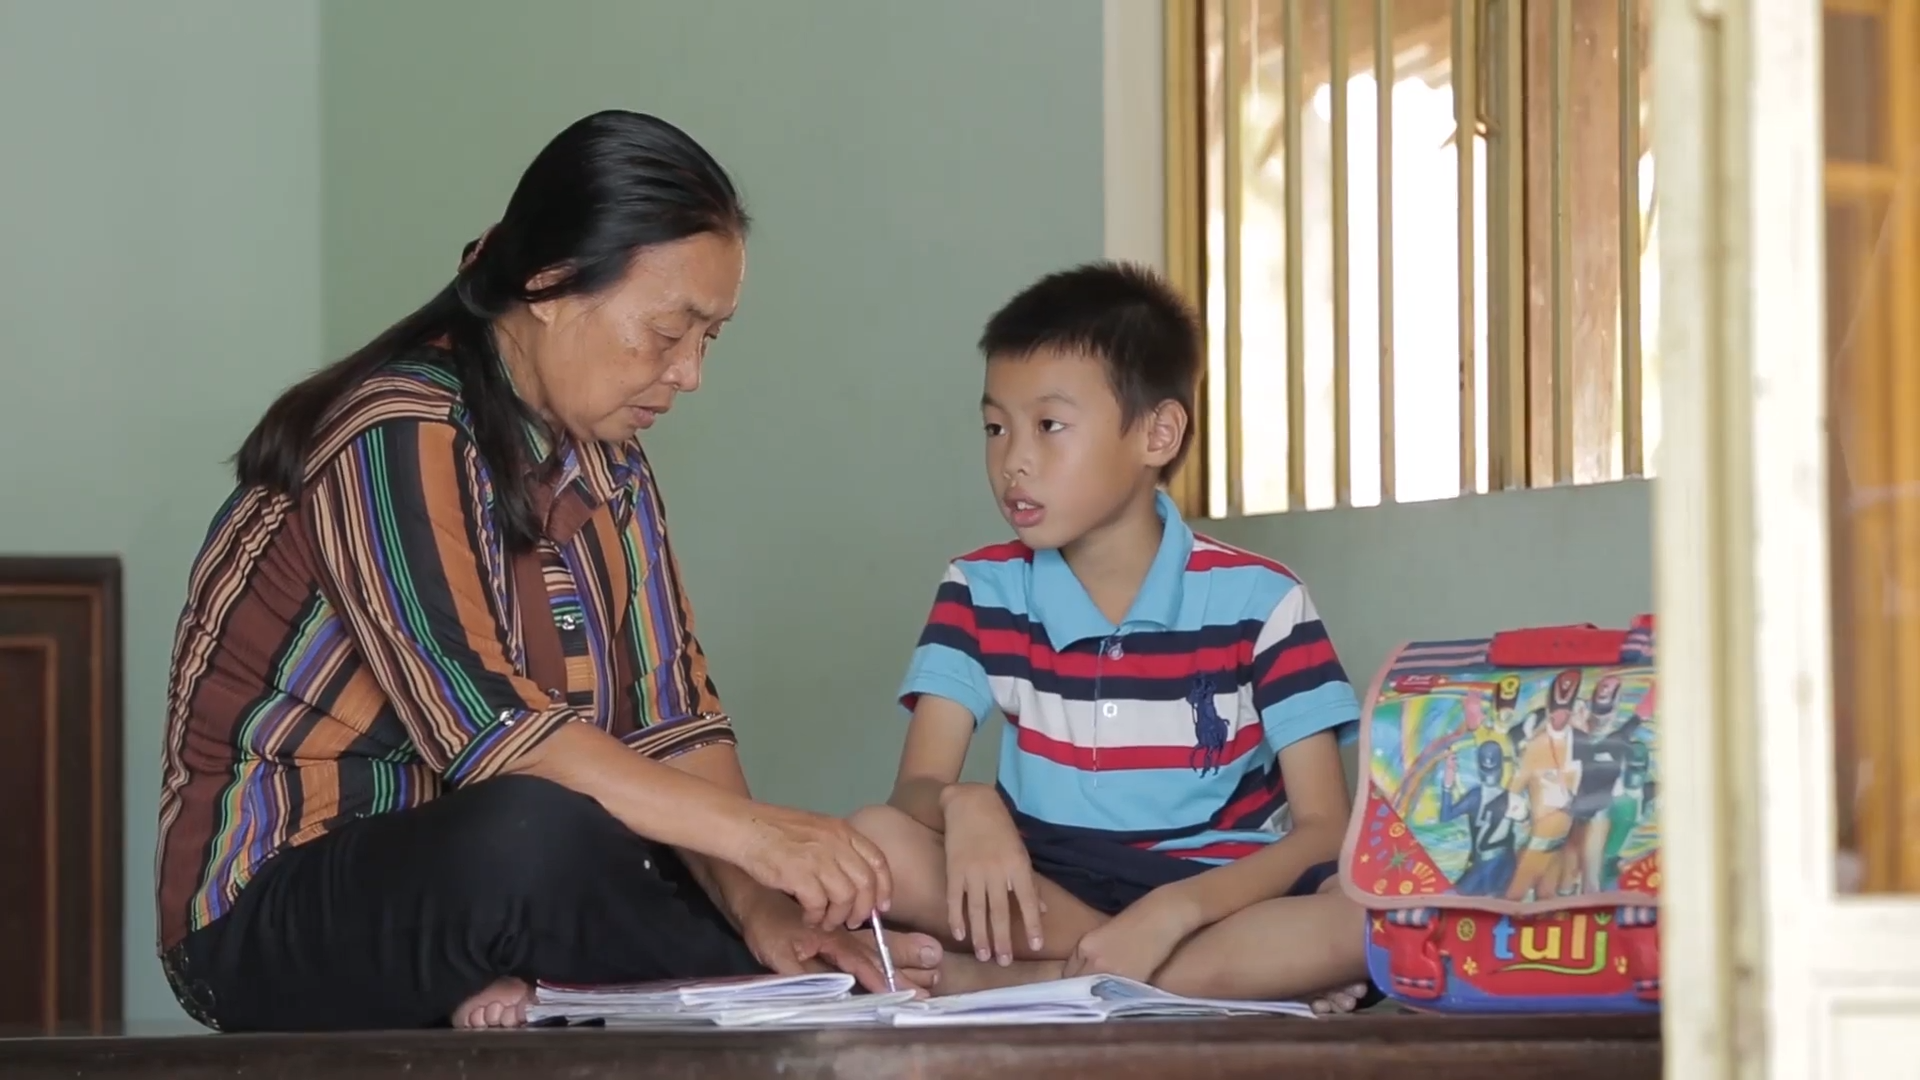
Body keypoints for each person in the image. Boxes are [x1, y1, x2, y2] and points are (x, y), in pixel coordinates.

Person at [154, 110, 940, 1033]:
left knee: (645, 835)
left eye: (710, 339)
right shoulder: (396, 431)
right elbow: (493, 735)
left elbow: (671, 722)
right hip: (268, 913)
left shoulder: (613, 467)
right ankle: (817, 988)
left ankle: (744, 973)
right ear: (549, 284)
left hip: (481, 890)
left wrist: (763, 907)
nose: (689, 374)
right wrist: (759, 837)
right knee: (535, 830)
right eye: (667, 332)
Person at [848, 262, 1374, 1011]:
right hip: (1046, 886)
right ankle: (1154, 979)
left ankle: (1033, 985)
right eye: (996, 428)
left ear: (1157, 433)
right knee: (875, 841)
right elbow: (912, 793)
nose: (1013, 460)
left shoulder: (1264, 598)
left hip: (1216, 893)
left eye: (1049, 426)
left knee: (1361, 920)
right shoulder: (981, 588)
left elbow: (1323, 830)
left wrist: (1174, 911)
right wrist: (968, 806)